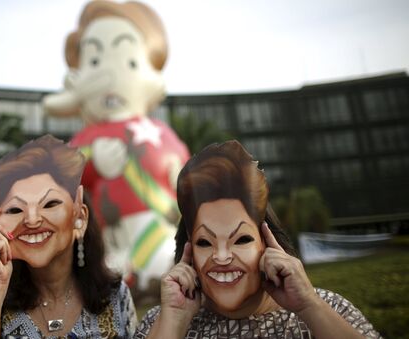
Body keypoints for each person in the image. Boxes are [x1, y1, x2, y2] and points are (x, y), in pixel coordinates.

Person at [134, 140, 381, 338]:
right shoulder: (162, 320)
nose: (221, 256)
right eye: (204, 242)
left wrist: (308, 306)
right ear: (188, 250)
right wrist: (174, 322)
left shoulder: (328, 307)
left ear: (267, 241)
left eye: (241, 239)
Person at [43, 0, 190, 291]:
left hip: (158, 227)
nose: (108, 76)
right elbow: (61, 179)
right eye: (94, 62)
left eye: (131, 62)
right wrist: (92, 161)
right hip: (106, 236)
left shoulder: (159, 131)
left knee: (167, 261)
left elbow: (181, 169)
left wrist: (180, 176)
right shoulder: (85, 139)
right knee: (106, 273)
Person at [0, 135, 137, 339]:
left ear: (80, 218)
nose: (32, 220)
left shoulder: (113, 294)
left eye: (50, 204)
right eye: (15, 209)